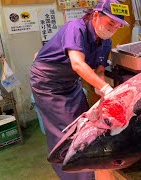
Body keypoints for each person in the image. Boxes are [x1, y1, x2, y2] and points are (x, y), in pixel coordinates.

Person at [29, 0, 129, 179]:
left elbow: (98, 70)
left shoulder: (106, 42)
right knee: (65, 131)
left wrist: (102, 90)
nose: (113, 29)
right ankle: (75, 175)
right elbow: (77, 64)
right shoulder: (76, 28)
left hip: (71, 84)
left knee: (83, 125)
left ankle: (90, 170)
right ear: (96, 15)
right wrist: (106, 89)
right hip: (48, 84)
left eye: (118, 26)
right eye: (110, 23)